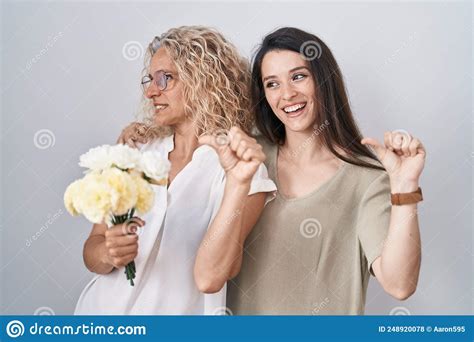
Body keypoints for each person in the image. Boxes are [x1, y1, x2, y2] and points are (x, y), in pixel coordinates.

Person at [119, 27, 426, 315]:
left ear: (324, 81)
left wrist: (405, 187)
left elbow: (399, 284)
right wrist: (145, 135)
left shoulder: (366, 178)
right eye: (272, 83)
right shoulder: (245, 156)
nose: (287, 94)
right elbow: (189, 139)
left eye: (299, 76)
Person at [75, 26, 276, 315]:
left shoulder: (243, 170)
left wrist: (238, 180)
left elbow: (216, 274)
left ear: (204, 81)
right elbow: (91, 252)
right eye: (150, 79)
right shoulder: (135, 151)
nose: (150, 90)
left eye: (164, 79)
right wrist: (108, 251)